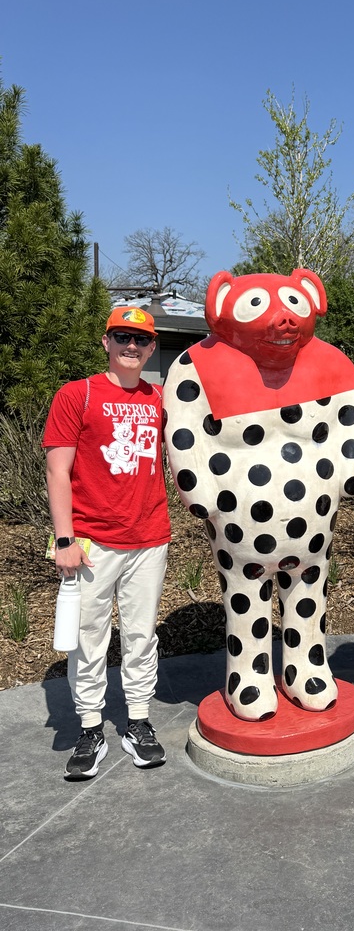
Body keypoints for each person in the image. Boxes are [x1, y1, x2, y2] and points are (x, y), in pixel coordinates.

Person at [43, 306, 171, 780]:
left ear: (152, 347)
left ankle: (138, 722)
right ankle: (91, 728)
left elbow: (176, 464)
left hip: (149, 537)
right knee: (88, 639)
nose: (131, 346)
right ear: (106, 342)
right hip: (93, 540)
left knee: (141, 635)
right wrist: (64, 538)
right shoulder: (78, 394)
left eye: (140, 340)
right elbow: (58, 470)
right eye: (122, 337)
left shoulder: (160, 399)